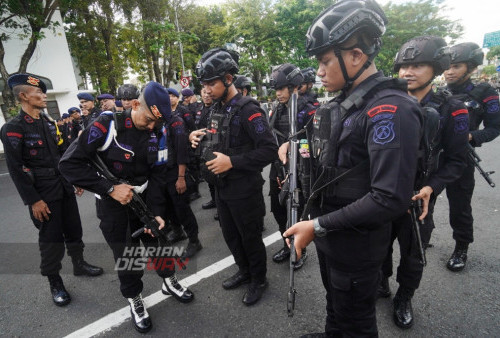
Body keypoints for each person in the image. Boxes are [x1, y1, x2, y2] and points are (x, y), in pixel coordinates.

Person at [281, 1, 422, 336]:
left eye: (325, 60)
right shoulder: (348, 104)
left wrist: (315, 225)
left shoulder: (390, 109)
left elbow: (389, 198)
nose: (318, 70)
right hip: (334, 234)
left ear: (356, 56)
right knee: (337, 305)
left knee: (357, 321)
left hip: (356, 244)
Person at [59, 82, 194, 333]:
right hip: (114, 207)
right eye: (150, 119)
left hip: (144, 200)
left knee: (159, 245)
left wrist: (157, 212)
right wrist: (109, 189)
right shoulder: (105, 125)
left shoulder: (157, 130)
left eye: (158, 122)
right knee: (127, 256)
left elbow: (157, 175)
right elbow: (69, 165)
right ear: (134, 105)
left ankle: (169, 281)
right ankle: (135, 299)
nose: (153, 126)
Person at [380, 36, 469, 329]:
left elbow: (457, 161)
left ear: (436, 68)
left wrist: (432, 186)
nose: (408, 72)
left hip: (420, 196)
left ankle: (404, 297)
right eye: (404, 65)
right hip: (382, 192)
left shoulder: (452, 108)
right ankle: (380, 283)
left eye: (418, 65)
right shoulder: (385, 101)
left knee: (414, 254)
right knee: (378, 245)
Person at [0, 74, 103, 307]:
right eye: (39, 93)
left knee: (74, 230)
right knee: (51, 240)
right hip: (43, 195)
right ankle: (55, 282)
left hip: (63, 187)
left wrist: (74, 180)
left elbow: (62, 156)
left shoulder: (48, 123)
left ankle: (79, 264)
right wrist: (34, 201)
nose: (44, 96)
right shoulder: (13, 129)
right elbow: (16, 170)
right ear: (24, 96)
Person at [190, 48, 278, 305]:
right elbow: (217, 136)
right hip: (221, 188)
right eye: (203, 84)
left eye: (211, 83)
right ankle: (244, 271)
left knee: (250, 237)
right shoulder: (218, 107)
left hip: (244, 188)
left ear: (228, 79)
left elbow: (269, 150)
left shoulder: (248, 109)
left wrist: (233, 162)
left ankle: (258, 279)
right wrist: (196, 136)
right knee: (231, 235)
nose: (205, 89)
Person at [443, 42, 500, 271]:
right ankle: (423, 238)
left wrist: (469, 136)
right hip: (432, 158)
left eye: (456, 66)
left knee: (460, 207)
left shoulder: (485, 92)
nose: (449, 71)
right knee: (420, 200)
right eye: (447, 66)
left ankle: (461, 248)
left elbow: (495, 128)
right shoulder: (438, 92)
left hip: (460, 159)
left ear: (472, 68)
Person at [268, 63, 316, 270]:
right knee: (278, 209)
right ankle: (287, 244)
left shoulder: (310, 109)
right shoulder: (278, 109)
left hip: (299, 168)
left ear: (294, 86)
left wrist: (295, 143)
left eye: (281, 88)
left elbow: (316, 145)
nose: (278, 94)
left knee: (295, 211)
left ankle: (299, 249)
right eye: (276, 89)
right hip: (278, 167)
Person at [195, 88, 219, 219]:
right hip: (201, 146)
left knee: (216, 176)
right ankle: (214, 201)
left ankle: (220, 205)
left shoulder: (216, 108)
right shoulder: (198, 109)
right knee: (207, 175)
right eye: (203, 92)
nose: (206, 95)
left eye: (208, 92)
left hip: (214, 146)